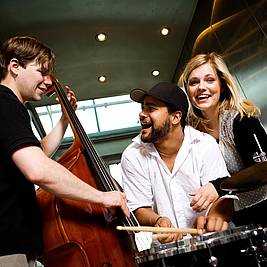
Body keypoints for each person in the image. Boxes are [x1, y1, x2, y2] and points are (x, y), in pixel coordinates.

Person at [0, 36, 129, 267]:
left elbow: (37, 153)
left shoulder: (11, 106)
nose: (48, 80)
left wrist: (64, 117)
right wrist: (102, 197)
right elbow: (38, 169)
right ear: (15, 67)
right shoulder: (5, 103)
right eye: (41, 71)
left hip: (15, 243)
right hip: (7, 246)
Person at [120, 81, 230, 244]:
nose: (142, 114)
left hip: (212, 242)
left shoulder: (204, 144)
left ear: (175, 117)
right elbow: (138, 208)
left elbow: (224, 194)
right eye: (143, 108)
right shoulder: (132, 155)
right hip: (169, 250)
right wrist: (157, 221)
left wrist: (215, 217)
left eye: (151, 108)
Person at [179, 52, 267, 228]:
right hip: (234, 218)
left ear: (222, 85)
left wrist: (218, 186)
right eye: (194, 82)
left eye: (209, 80)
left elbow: (263, 169)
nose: (201, 87)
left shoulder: (242, 119)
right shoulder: (190, 131)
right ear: (187, 90)